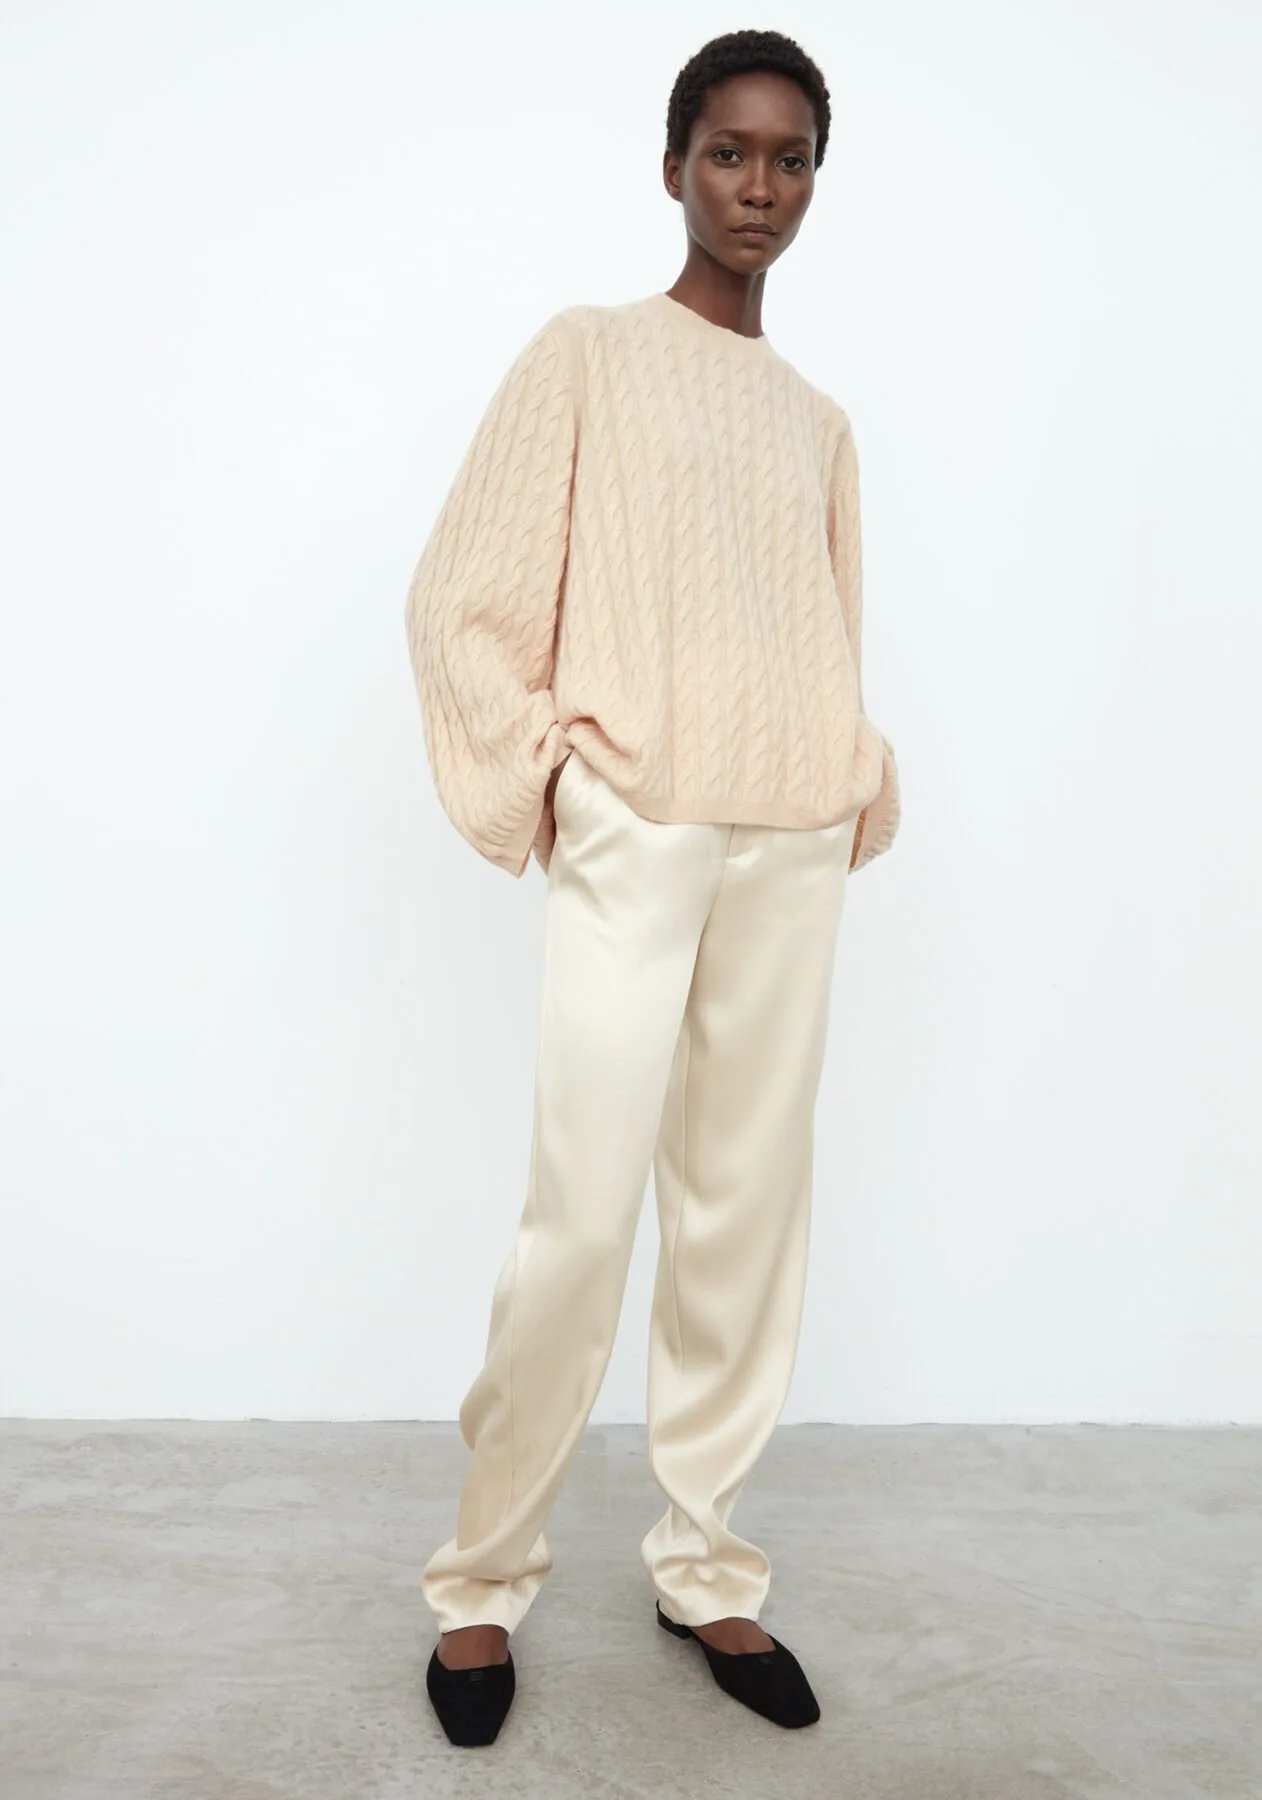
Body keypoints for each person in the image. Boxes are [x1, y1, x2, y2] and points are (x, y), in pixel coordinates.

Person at [402, 27, 902, 1748]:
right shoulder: (588, 355)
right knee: (583, 1213)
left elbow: (822, 626)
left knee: (744, 1215)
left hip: (791, 833)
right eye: (727, 153)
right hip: (640, 820)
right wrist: (554, 769)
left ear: (815, 180)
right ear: (673, 164)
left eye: (788, 158)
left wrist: (847, 766)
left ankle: (706, 1566)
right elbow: (463, 591)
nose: (758, 187)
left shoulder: (818, 423)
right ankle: (482, 1579)